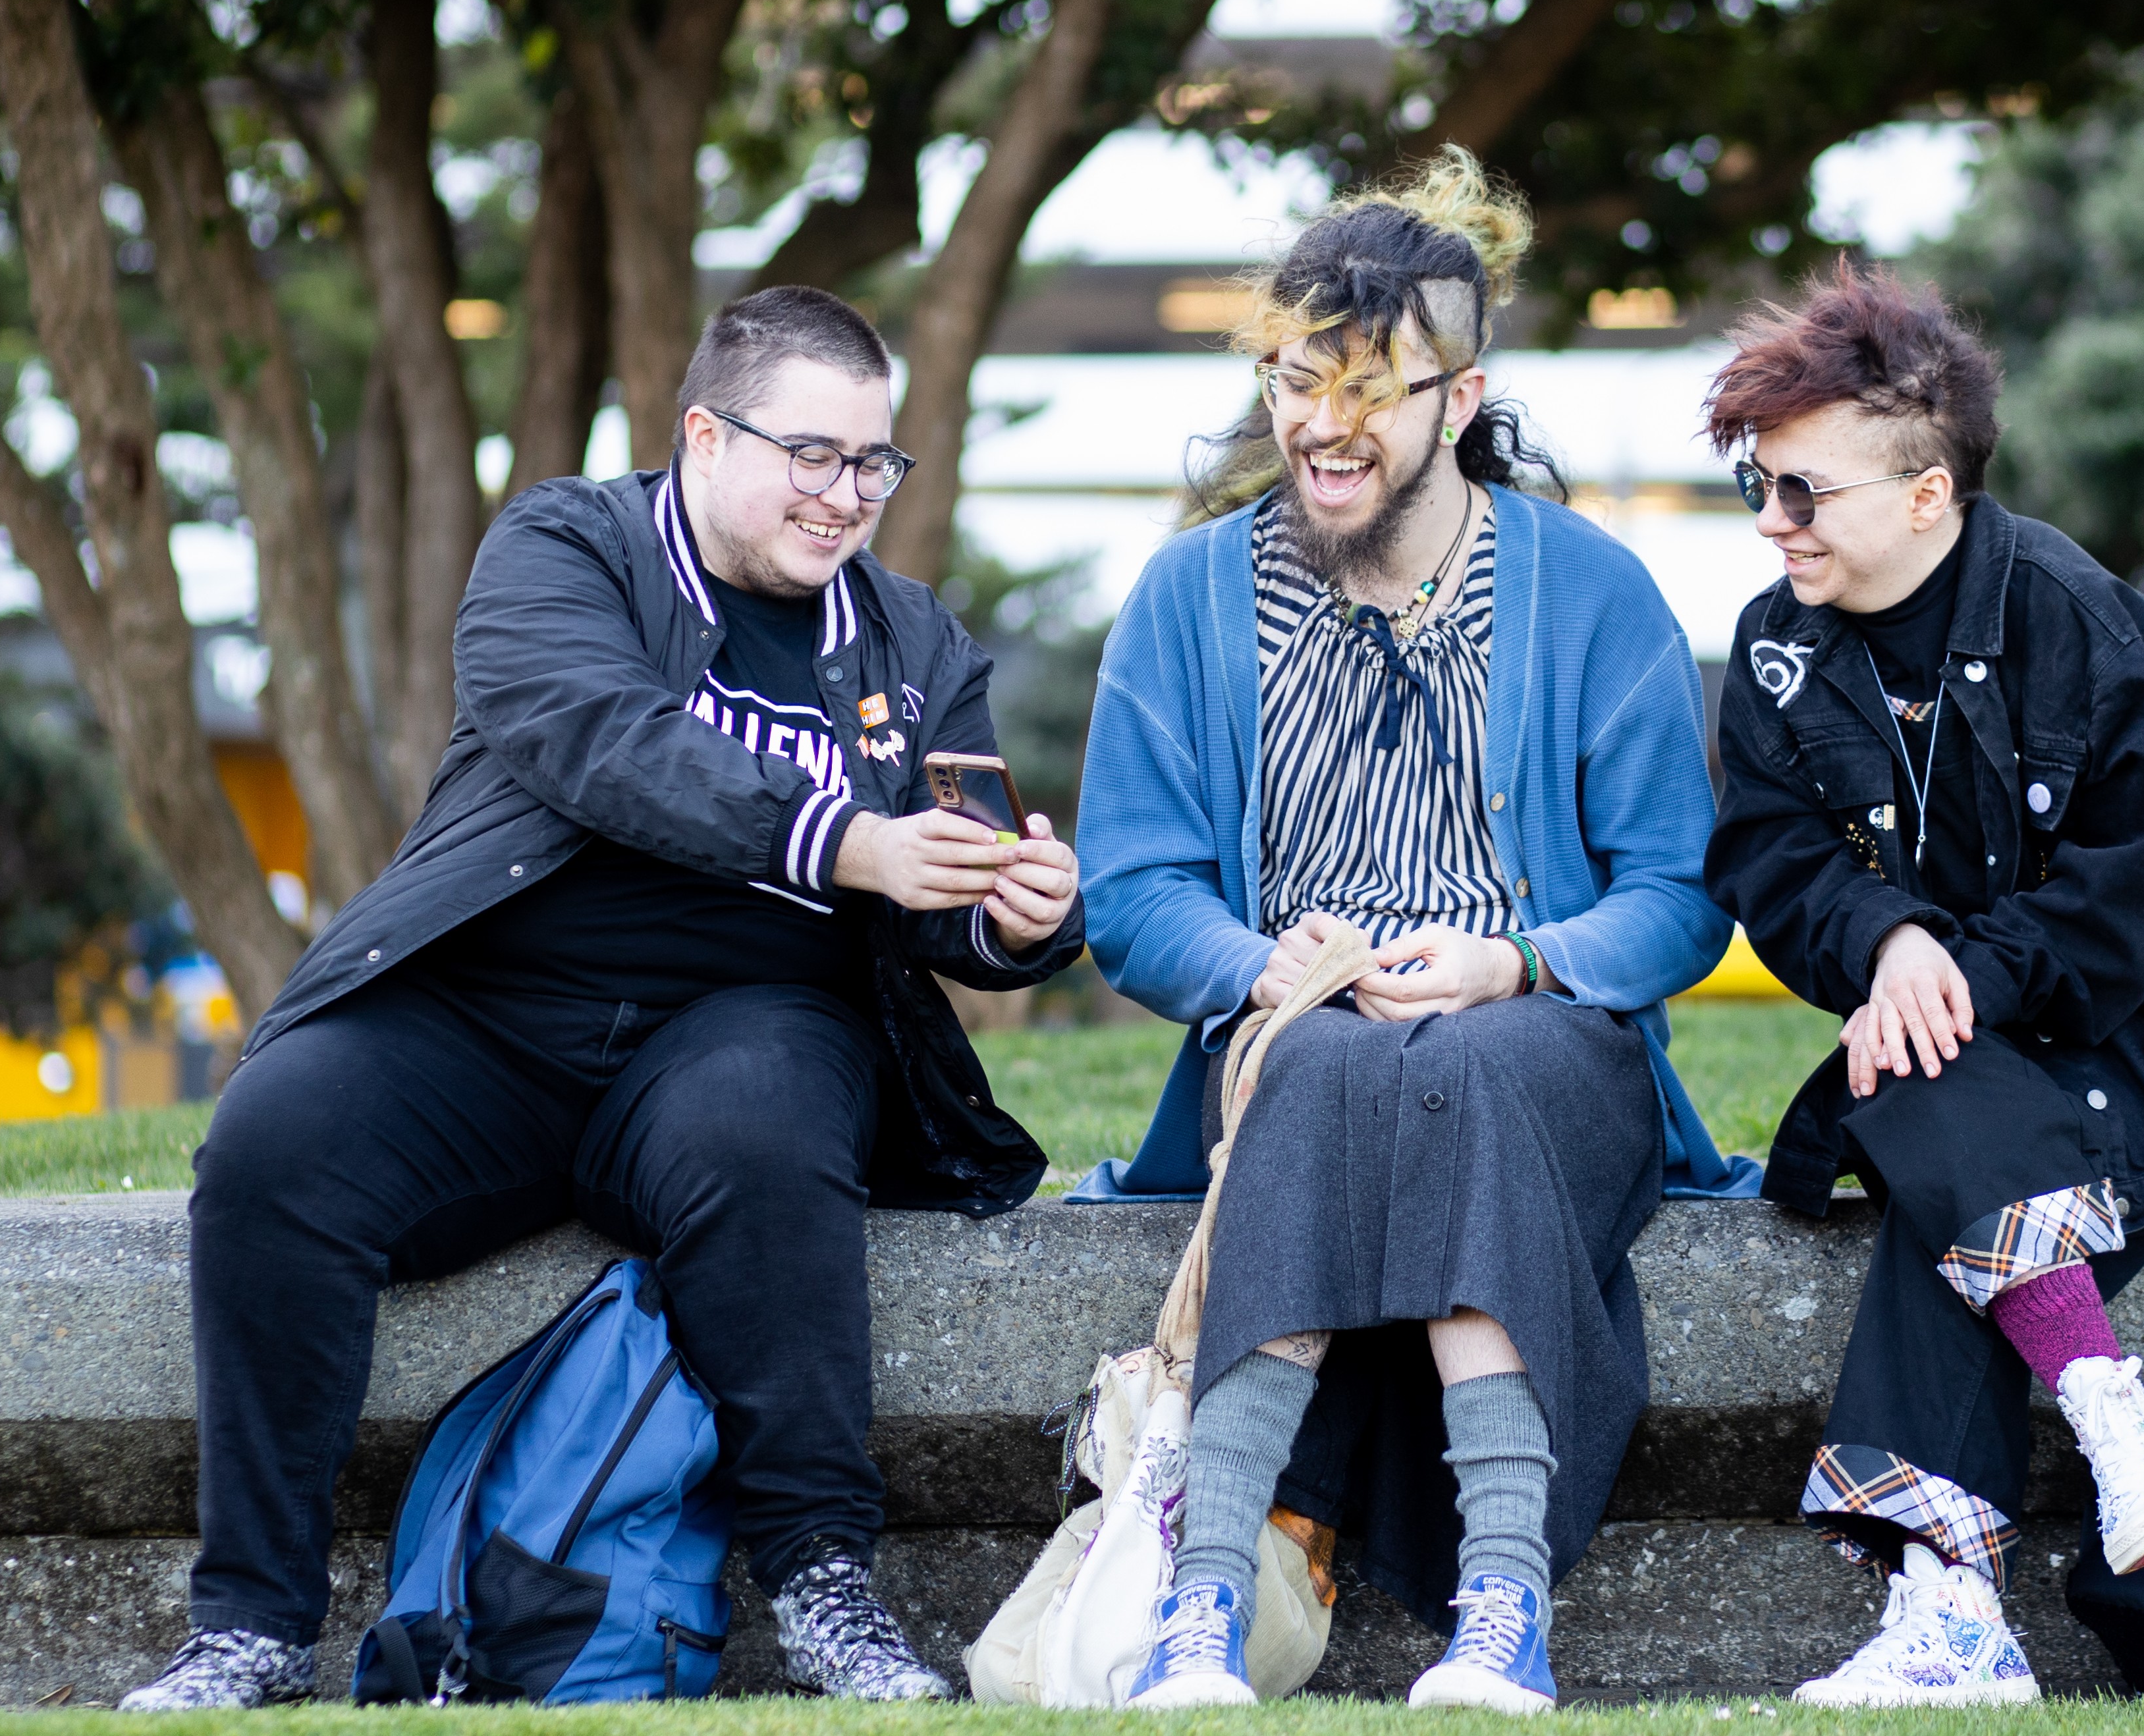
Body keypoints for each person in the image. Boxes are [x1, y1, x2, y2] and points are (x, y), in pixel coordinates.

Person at [120, 288, 1086, 1711]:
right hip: (489, 1018)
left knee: (766, 1130)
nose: (848, 497)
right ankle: (251, 1627)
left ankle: (827, 1585)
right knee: (273, 1146)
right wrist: (846, 841)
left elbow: (945, 895)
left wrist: (1018, 919)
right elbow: (600, 742)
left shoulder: (913, 643)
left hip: (749, 1026)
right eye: (811, 456)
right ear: (703, 434)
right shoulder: (567, 546)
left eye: (875, 464)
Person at [1077, 153, 1736, 1714]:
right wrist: (1271, 975)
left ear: (1462, 395)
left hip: (1546, 1049)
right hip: (1297, 1056)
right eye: (1296, 378)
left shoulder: (1589, 592)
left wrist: (1519, 962)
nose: (1323, 422)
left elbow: (1680, 890)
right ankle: (1203, 1609)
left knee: (1468, 1064)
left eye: (1371, 386)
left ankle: (1499, 1607)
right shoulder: (1186, 601)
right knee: (1323, 1067)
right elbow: (1134, 895)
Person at [1699, 263, 2144, 1707]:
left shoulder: (2090, 626)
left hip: (2131, 1057)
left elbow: (2123, 915)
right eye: (1757, 487)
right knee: (1916, 1071)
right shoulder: (1777, 647)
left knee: (1909, 1084)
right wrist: (1889, 940)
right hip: (1950, 1059)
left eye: (1801, 492)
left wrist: (1936, 974)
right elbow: (1769, 864)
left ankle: (1953, 1610)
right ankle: (2102, 1407)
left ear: (1926, 494)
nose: (1773, 524)